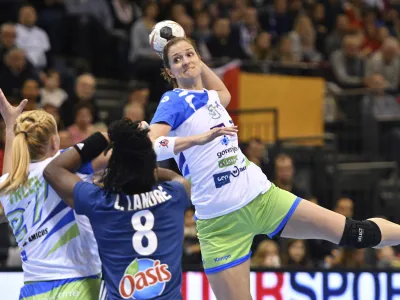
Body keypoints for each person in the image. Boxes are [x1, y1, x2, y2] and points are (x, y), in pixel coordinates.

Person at [148, 36, 400, 300]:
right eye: (177, 60)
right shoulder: (173, 101)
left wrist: (187, 49)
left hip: (262, 198)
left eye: (190, 54)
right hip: (220, 224)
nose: (186, 62)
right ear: (168, 72)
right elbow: (152, 144)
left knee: (355, 233)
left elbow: (224, 94)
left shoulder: (212, 97)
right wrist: (197, 140)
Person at [43, 118, 214, 299]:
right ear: (151, 167)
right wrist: (146, 165)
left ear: (113, 167)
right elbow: (178, 179)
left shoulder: (100, 202)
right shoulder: (175, 195)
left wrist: (108, 136)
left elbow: (53, 170)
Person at [0, 90, 103, 299]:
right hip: (78, 281)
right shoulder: (66, 166)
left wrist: (10, 127)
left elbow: (10, 173)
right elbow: (113, 155)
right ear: (55, 142)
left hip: (32, 288)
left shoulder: (6, 185)